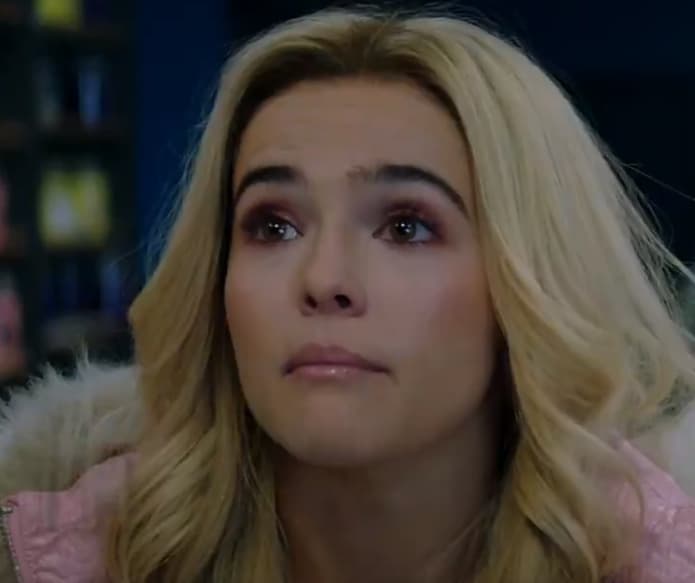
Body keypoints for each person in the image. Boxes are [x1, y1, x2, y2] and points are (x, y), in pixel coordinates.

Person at [1, 7, 695, 583]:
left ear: (527, 283)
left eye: (405, 226)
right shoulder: (65, 557)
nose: (324, 279)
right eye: (273, 225)